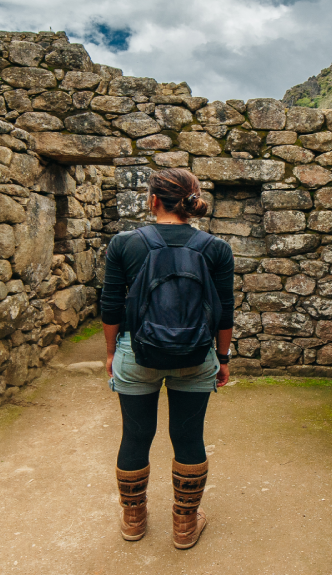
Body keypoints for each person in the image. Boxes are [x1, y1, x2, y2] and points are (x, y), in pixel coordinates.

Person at [100, 168, 234, 550]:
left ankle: (134, 520)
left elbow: (111, 305)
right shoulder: (216, 249)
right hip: (196, 354)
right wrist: (222, 358)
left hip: (136, 352)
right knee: (188, 436)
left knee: (135, 434)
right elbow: (225, 311)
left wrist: (111, 352)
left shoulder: (124, 244)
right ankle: (185, 525)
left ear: (154, 200)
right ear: (192, 202)